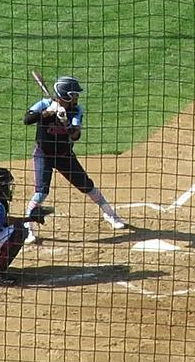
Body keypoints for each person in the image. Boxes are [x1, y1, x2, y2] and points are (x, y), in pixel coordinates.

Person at [21, 75, 126, 243]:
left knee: (87, 186)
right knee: (41, 193)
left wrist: (65, 123)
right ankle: (28, 229)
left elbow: (76, 135)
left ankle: (110, 214)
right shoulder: (44, 104)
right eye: (74, 95)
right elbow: (27, 119)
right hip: (43, 156)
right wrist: (48, 113)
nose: (77, 98)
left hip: (64, 156)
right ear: (66, 95)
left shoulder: (76, 110)